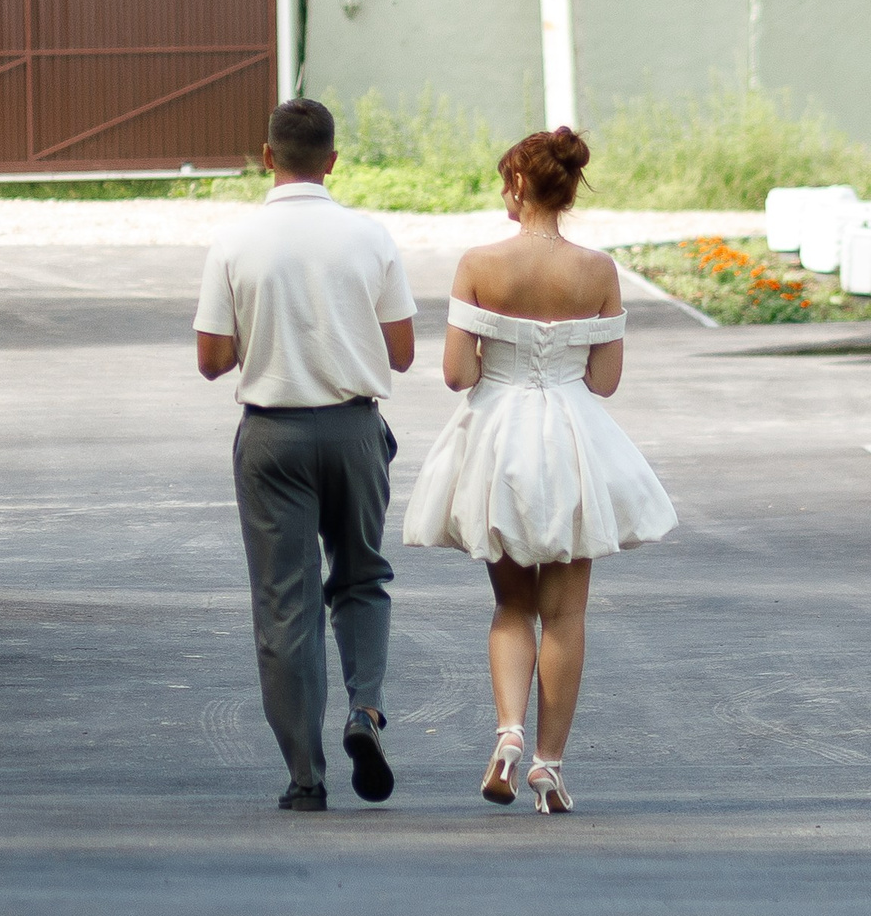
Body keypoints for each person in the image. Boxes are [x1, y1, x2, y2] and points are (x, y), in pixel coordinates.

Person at [403, 127, 676, 814]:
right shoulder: (599, 271)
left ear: (518, 185)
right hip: (573, 439)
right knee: (566, 613)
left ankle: (507, 734)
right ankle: (549, 768)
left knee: (511, 605)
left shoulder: (478, 263)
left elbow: (457, 372)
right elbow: (605, 380)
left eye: (504, 181)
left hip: (498, 438)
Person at [196, 98, 416, 812]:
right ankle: (366, 709)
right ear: (333, 160)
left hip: (273, 434)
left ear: (267, 157)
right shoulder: (370, 235)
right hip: (354, 429)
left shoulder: (235, 241)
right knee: (361, 575)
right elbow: (404, 352)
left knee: (285, 604)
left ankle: (304, 775)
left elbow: (211, 359)